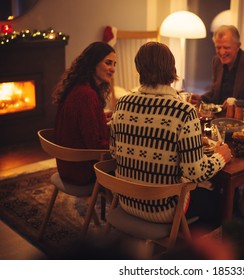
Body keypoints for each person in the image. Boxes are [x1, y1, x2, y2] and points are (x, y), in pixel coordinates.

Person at [110, 42, 232, 227]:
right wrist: (221, 156)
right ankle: (188, 248)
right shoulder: (183, 111)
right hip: (164, 209)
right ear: (172, 69)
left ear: (138, 68)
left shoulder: (123, 103)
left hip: (126, 201)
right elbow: (194, 173)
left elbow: (114, 152)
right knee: (220, 202)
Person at [52, 41, 116, 185]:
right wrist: (122, 149)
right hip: (82, 171)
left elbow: (80, 126)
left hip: (67, 167)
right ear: (93, 63)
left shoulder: (77, 87)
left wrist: (99, 118)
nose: (112, 69)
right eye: (108, 63)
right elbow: (95, 145)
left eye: (114, 64)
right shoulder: (87, 95)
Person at [192, 25, 244, 111]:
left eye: (226, 47)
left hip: (241, 119)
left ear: (238, 46)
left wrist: (236, 103)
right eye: (218, 47)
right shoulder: (216, 61)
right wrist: (200, 99)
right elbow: (214, 93)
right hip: (218, 117)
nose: (221, 52)